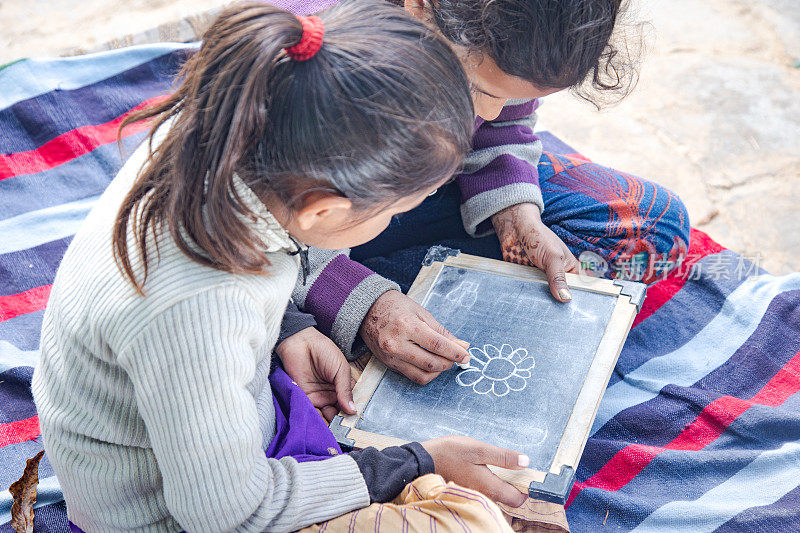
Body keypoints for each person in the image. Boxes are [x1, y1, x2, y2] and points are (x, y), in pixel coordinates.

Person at [31, 2, 531, 531]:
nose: (394, 222)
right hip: (171, 514)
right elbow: (231, 514)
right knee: (471, 521)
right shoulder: (198, 307)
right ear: (321, 210)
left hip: (202, 423)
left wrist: (286, 327)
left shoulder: (221, 126)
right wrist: (414, 463)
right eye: (396, 211)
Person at [276, 0, 691, 414]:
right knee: (266, 358)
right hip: (293, 229)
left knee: (653, 226)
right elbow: (248, 225)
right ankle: (324, 309)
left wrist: (515, 214)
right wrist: (358, 303)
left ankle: (405, 311)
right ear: (419, 9)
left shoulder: (504, 33)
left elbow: (501, 123)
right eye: (480, 90)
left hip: (393, 198)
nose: (489, 112)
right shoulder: (310, 62)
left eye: (512, 97)